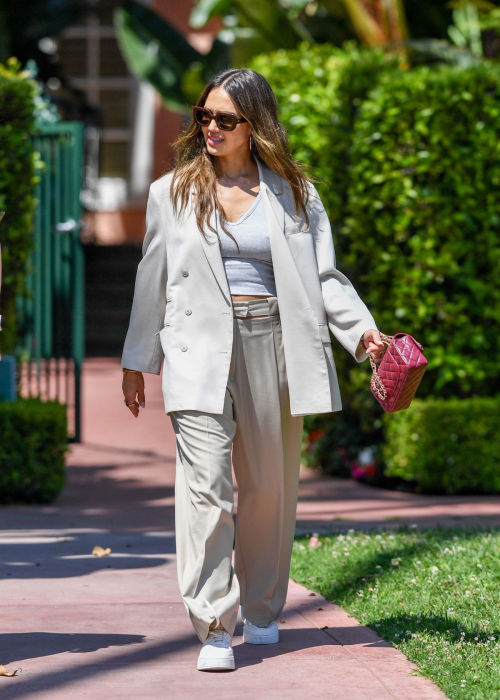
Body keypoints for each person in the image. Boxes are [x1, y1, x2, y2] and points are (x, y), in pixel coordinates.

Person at [121, 68, 384, 672]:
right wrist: (138, 361)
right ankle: (214, 622)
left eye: (226, 119)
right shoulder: (172, 192)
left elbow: (323, 278)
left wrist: (361, 332)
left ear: (254, 125)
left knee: (269, 490)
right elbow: (151, 278)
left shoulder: (295, 193)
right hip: (195, 348)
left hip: (274, 344)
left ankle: (263, 609)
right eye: (204, 115)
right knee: (205, 488)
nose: (210, 127)